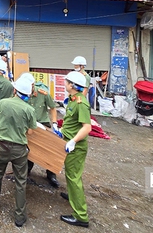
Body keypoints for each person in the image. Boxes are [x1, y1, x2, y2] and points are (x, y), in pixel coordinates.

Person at [0, 73, 37, 227]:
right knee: (21, 181)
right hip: (19, 149)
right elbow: (30, 132)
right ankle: (19, 217)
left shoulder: (3, 103)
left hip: (1, 146)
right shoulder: (29, 109)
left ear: (15, 90)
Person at [59, 70, 92, 228]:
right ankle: (73, 196)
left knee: (74, 178)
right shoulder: (73, 100)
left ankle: (81, 216)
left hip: (76, 147)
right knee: (71, 176)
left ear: (72, 85)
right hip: (69, 142)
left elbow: (87, 127)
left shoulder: (81, 103)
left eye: (66, 81)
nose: (64, 83)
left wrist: (72, 140)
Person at [24, 74, 61, 188]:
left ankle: (51, 174)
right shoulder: (22, 92)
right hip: (29, 123)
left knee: (49, 149)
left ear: (33, 85)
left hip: (42, 122)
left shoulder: (43, 93)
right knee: (28, 148)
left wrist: (54, 123)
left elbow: (53, 108)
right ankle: (27, 169)